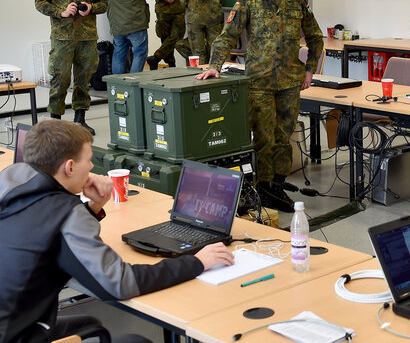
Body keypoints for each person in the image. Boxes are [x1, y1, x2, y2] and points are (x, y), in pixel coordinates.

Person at [0, 120, 234, 343]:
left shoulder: (11, 190)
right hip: (19, 335)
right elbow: (120, 283)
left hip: (14, 323)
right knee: (135, 340)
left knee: (92, 324)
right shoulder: (66, 214)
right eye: (89, 161)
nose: (92, 168)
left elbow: (46, 232)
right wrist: (196, 262)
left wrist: (94, 207)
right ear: (69, 167)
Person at [197, 0, 323, 212]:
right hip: (260, 82)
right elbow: (227, 35)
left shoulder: (298, 0)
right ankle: (263, 187)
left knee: (283, 136)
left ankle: (276, 185)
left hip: (290, 81)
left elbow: (315, 37)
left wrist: (310, 69)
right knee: (264, 137)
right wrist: (215, 65)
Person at [34, 0, 107, 135]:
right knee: (60, 80)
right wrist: (61, 12)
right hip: (62, 38)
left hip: (87, 37)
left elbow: (104, 3)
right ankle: (55, 123)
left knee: (83, 81)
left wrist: (91, 7)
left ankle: (79, 120)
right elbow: (39, 2)